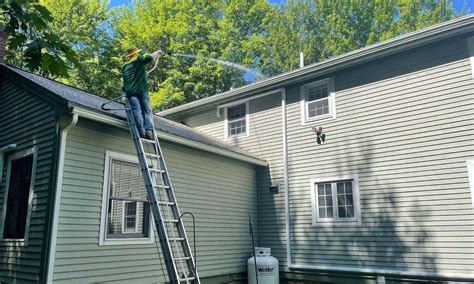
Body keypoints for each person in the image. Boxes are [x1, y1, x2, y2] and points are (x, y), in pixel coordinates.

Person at [122, 47, 165, 139]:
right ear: (136, 53)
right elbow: (149, 58)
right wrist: (158, 52)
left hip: (130, 92)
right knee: (146, 111)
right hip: (141, 90)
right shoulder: (138, 59)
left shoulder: (125, 66)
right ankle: (148, 131)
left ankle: (141, 130)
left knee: (136, 110)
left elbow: (124, 83)